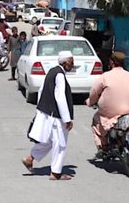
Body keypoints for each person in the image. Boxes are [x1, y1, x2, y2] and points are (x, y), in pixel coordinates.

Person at [23, 51, 75, 180]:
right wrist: (67, 119)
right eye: (71, 62)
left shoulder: (52, 71)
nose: (72, 65)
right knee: (60, 144)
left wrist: (41, 109)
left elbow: (42, 90)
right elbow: (60, 97)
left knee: (48, 142)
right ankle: (56, 173)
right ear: (64, 62)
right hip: (56, 116)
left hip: (48, 113)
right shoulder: (60, 75)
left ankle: (30, 159)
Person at [86, 52, 129, 155]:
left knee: (96, 121)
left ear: (111, 62)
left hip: (110, 113)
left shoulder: (105, 76)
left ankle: (103, 147)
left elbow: (94, 92)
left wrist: (90, 102)